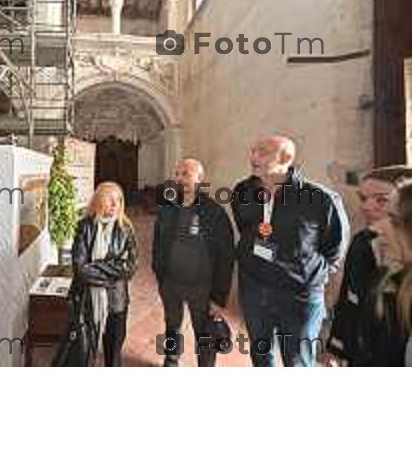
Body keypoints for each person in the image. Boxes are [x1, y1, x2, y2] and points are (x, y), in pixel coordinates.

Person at [231, 135, 349, 367]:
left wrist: (308, 275)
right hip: (253, 290)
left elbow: (334, 250)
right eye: (253, 150)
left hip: (298, 298)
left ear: (286, 158)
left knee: (297, 361)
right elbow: (245, 229)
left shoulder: (320, 199)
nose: (253, 156)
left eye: (263, 151)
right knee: (261, 356)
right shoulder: (243, 191)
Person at [153, 158, 235, 367]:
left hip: (202, 288)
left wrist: (219, 296)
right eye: (178, 174)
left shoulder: (214, 212)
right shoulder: (167, 207)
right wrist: (159, 272)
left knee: (204, 332)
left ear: (200, 178)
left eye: (186, 174)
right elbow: (158, 241)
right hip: (171, 283)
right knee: (172, 325)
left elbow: (226, 256)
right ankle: (171, 359)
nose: (180, 178)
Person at [326, 170, 412, 366]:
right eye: (363, 198)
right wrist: (336, 348)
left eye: (381, 201)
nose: (367, 207)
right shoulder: (361, 244)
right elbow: (348, 300)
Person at [64, 181, 138, 367]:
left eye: (119, 200)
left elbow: (130, 267)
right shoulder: (84, 226)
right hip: (87, 300)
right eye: (110, 199)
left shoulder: (126, 229)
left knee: (113, 355)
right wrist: (113, 270)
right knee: (84, 352)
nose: (115, 205)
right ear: (98, 201)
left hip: (116, 301)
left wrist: (96, 266)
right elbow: (80, 269)